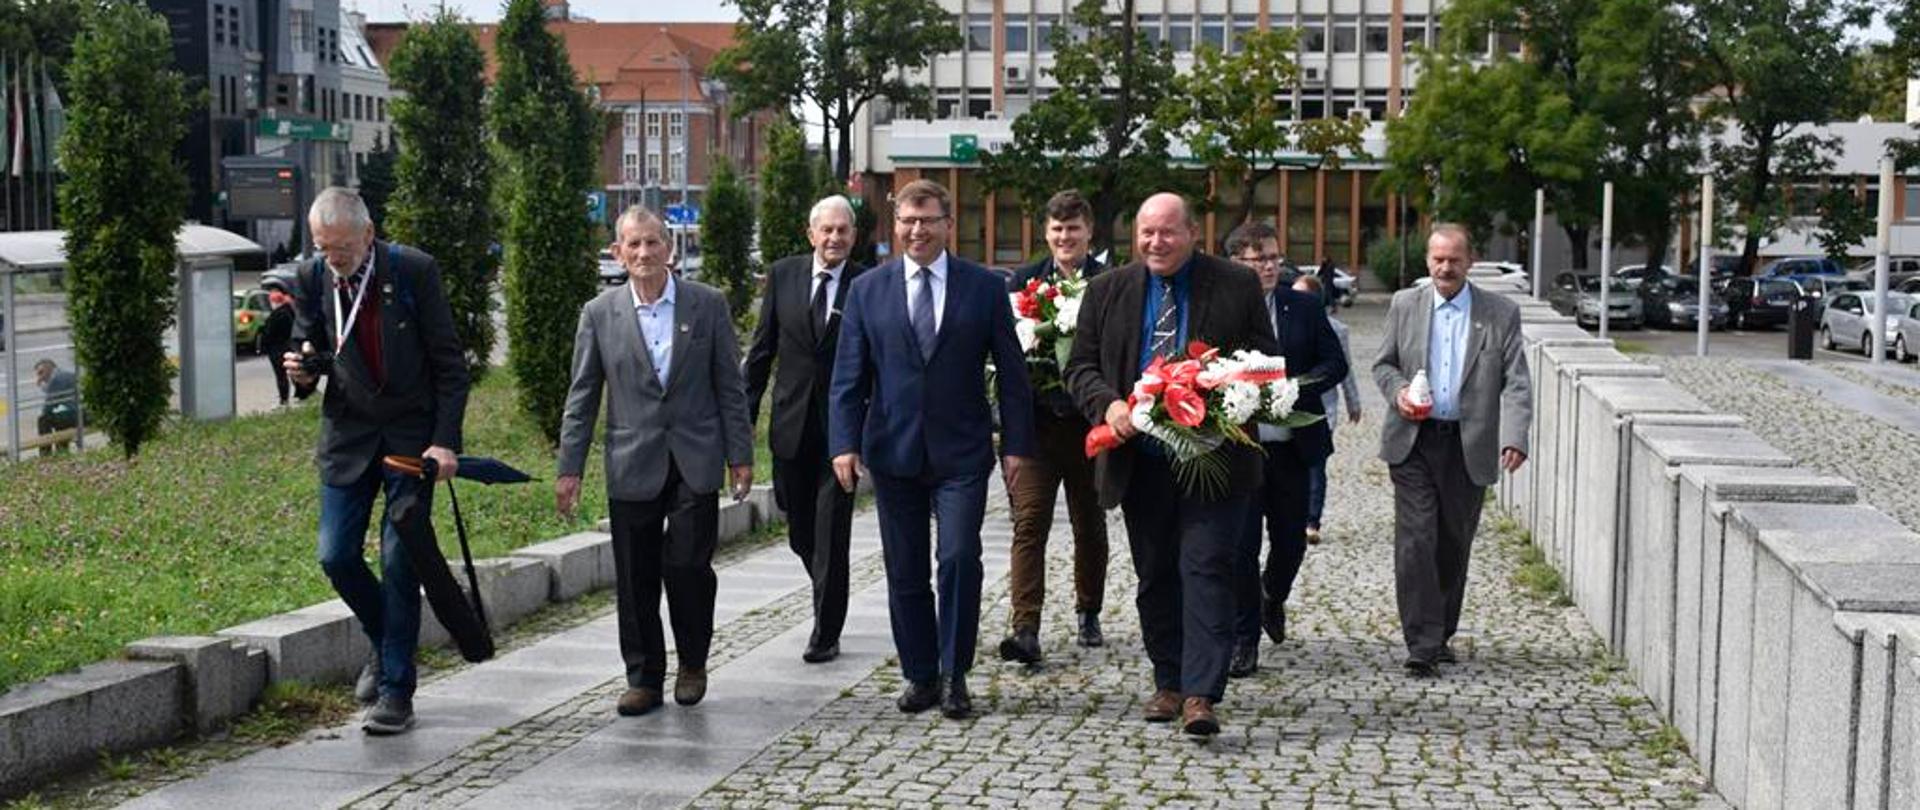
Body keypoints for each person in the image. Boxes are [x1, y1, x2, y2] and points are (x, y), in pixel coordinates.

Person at [1063, 193, 1278, 737]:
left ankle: (1201, 693)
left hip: (1214, 459)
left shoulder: (1236, 284)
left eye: (1167, 232)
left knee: (1206, 567)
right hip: (1142, 459)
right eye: (1146, 232)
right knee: (1155, 573)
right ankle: (1169, 680)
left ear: (1192, 233)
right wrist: (1109, 405)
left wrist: (1223, 395)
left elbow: (1266, 364)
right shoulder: (1107, 290)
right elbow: (1080, 367)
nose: (1155, 242)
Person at [828, 178, 1035, 720]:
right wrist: (843, 442)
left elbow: (1012, 373)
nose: (917, 230)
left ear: (948, 224)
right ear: (895, 225)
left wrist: (1016, 445)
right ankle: (920, 673)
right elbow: (848, 376)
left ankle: (954, 673)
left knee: (959, 558)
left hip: (961, 451)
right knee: (905, 568)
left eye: (927, 220)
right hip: (892, 449)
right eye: (907, 221)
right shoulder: (867, 289)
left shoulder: (983, 288)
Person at [282, 187, 470, 734]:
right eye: (323, 247)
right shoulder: (312, 277)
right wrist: (302, 372)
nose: (333, 258)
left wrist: (444, 441)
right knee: (335, 555)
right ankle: (386, 639)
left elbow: (450, 366)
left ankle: (395, 692)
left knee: (399, 557)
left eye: (342, 247)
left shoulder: (413, 271)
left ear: (368, 234)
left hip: (411, 436)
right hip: (348, 433)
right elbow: (312, 348)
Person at [556, 205, 754, 717]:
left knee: (688, 566)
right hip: (632, 458)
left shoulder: (706, 304)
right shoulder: (599, 314)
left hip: (694, 457)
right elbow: (583, 395)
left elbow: (729, 387)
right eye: (633, 244)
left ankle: (692, 662)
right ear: (618, 252)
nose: (644, 253)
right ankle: (643, 677)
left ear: (670, 249)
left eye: (652, 242)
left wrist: (740, 454)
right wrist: (570, 468)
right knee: (635, 575)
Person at [1373, 223, 1531, 679]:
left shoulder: (1499, 313)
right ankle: (1421, 643)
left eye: (1454, 260)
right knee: (1416, 540)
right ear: (1428, 260)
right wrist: (1399, 392)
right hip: (1414, 440)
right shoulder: (1406, 304)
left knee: (1452, 543)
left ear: (1470, 262)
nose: (1445, 268)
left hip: (1467, 444)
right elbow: (1383, 364)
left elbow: (1517, 382)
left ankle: (1440, 631)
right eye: (1438, 259)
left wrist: (1515, 436)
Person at [743, 195, 868, 664]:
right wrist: (741, 424)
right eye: (827, 230)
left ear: (853, 236)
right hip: (791, 426)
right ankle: (825, 584)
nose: (834, 238)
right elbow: (761, 353)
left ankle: (825, 630)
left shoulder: (867, 284)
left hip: (842, 433)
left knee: (832, 532)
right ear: (811, 234)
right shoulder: (784, 275)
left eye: (843, 230)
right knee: (800, 530)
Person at [1223, 222, 1347, 679]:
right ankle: (1244, 639)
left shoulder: (1304, 306)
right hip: (1240, 448)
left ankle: (1271, 596)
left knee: (1291, 541)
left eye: (1274, 257)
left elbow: (1335, 363)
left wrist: (1296, 387)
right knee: (1241, 547)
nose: (1270, 266)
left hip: (1292, 449)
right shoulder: (1222, 309)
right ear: (1236, 263)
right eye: (1259, 259)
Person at [997, 189, 1109, 665]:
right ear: (1046, 233)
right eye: (1057, 229)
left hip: (1089, 426)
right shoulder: (1024, 281)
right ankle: (1025, 627)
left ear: (1089, 232)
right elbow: (1005, 351)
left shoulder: (1108, 282)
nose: (1065, 237)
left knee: (1090, 523)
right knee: (1029, 523)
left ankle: (1088, 610)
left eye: (1074, 228)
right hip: (1037, 426)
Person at [1293, 274, 1361, 545]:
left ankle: (1312, 521)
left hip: (1324, 408)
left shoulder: (1336, 329)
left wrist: (1353, 402)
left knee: (1315, 465)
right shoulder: (1284, 324)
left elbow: (1345, 369)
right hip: (1290, 408)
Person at [260, 279, 297, 407]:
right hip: (288, 347)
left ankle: (284, 400)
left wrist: (263, 345)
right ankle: (304, 394)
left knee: (281, 376)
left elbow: (269, 333)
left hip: (277, 350)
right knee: (292, 372)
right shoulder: (289, 312)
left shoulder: (277, 315)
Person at [33, 359, 78, 455]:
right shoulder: (66, 374)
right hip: (81, 413)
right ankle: (62, 451)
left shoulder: (56, 379)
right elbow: (56, 397)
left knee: (43, 419)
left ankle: (45, 454)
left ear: (49, 369)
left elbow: (48, 406)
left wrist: (42, 386)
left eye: (41, 373)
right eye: (38, 374)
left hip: (76, 416)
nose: (40, 377)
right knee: (59, 416)